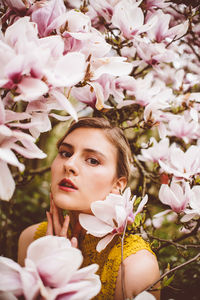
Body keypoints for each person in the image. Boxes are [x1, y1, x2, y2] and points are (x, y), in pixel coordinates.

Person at [18, 117, 160, 299]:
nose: (69, 165)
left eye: (92, 161)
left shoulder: (135, 267)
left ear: (117, 185)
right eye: (65, 153)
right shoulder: (31, 240)